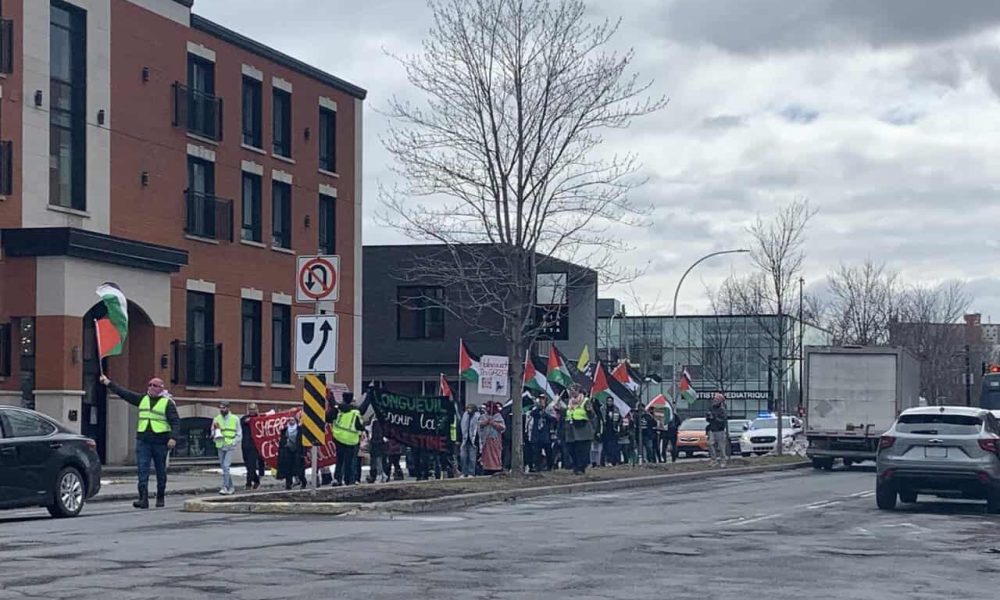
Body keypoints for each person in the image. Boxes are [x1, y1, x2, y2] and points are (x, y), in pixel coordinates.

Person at [99, 374, 179, 509]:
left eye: (155, 385)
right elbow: (124, 393)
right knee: (142, 469)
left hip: (160, 441)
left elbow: (175, 422)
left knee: (160, 470)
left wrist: (173, 437)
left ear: (161, 388)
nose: (151, 387)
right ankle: (143, 498)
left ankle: (160, 496)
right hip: (143, 440)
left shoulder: (167, 403)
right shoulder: (142, 399)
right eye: (150, 385)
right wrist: (108, 383)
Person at [330, 392, 364, 486]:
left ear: (343, 398)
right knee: (349, 461)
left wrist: (331, 397)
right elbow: (359, 426)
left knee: (339, 460)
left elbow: (328, 417)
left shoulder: (338, 409)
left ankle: (337, 479)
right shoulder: (355, 412)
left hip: (338, 437)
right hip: (351, 440)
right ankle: (348, 480)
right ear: (352, 399)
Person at [564, 384, 596, 475]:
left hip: (583, 429)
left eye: (574, 390)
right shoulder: (568, 402)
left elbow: (592, 416)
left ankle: (581, 468)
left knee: (581, 450)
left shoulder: (585, 401)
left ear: (578, 391)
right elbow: (566, 413)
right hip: (571, 430)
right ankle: (575, 465)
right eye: (570, 390)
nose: (572, 392)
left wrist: (590, 411)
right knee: (571, 449)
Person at [212, 401, 242, 495]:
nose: (222, 410)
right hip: (220, 444)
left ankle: (225, 487)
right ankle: (231, 487)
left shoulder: (235, 419)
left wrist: (234, 442)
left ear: (228, 408)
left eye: (224, 408)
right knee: (224, 467)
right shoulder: (216, 419)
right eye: (220, 408)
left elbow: (239, 433)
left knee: (226, 466)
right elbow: (212, 431)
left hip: (229, 444)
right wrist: (214, 435)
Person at [526, 396, 556, 472]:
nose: (541, 401)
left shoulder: (549, 409)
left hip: (546, 434)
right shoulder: (535, 409)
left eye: (543, 399)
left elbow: (553, 419)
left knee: (548, 451)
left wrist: (545, 414)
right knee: (536, 452)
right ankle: (537, 467)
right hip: (536, 434)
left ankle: (549, 466)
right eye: (540, 399)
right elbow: (532, 414)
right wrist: (539, 408)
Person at [277, 413, 306, 490]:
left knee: (299, 468)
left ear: (295, 421)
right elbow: (282, 442)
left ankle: (303, 481)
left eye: (292, 420)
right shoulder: (285, 430)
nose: (291, 421)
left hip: (297, 451)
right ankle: (288, 484)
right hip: (287, 451)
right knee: (288, 469)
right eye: (289, 420)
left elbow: (303, 442)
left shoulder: (300, 430)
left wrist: (304, 452)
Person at [478, 401, 506, 475]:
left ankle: (495, 468)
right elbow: (480, 424)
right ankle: (486, 467)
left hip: (495, 439)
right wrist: (486, 422)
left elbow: (502, 427)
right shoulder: (483, 416)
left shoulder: (498, 416)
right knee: (486, 454)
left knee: (495, 454)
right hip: (486, 439)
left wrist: (494, 423)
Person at [240, 403, 263, 490]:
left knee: (251, 465)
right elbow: (244, 421)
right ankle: (256, 480)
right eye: (250, 409)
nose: (252, 411)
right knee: (247, 465)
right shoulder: (244, 418)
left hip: (255, 445)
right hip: (245, 445)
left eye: (253, 409)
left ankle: (248, 483)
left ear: (256, 409)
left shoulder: (260, 419)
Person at [706, 393, 729, 467]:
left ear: (720, 400)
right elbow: (708, 419)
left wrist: (715, 418)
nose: (715, 400)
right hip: (712, 429)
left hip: (720, 430)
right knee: (710, 444)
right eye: (714, 399)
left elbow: (723, 420)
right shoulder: (711, 408)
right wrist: (708, 417)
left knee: (721, 446)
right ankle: (713, 460)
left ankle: (723, 460)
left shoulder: (722, 409)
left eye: (717, 399)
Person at [459, 403, 481, 477]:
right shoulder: (465, 416)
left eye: (470, 408)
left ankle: (471, 473)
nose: (469, 409)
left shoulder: (478, 416)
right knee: (463, 457)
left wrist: (477, 442)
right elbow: (461, 427)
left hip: (473, 440)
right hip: (464, 440)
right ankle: (464, 472)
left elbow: (478, 430)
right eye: (468, 408)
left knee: (472, 458)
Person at [366, 416, 387, 484]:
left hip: (377, 443)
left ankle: (380, 475)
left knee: (378, 460)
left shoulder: (376, 421)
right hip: (377, 443)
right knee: (376, 460)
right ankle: (382, 475)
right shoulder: (376, 421)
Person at [601, 399, 622, 466]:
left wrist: (617, 427)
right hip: (605, 430)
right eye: (608, 401)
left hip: (614, 430)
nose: (609, 402)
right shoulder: (603, 409)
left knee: (614, 447)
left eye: (611, 401)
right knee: (606, 447)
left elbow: (619, 419)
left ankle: (614, 460)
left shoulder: (616, 409)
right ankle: (606, 461)